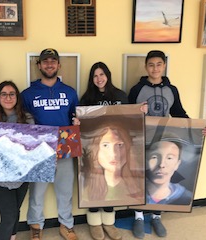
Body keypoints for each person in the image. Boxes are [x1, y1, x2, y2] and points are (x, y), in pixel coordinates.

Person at [128, 50, 206, 239]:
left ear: (164, 66)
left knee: (163, 178)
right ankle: (138, 217)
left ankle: (156, 215)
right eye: (151, 64)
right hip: (142, 141)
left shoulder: (172, 90)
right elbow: (128, 115)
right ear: (146, 66)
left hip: (163, 141)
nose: (155, 68)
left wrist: (198, 129)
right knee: (141, 178)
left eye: (158, 64)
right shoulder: (136, 90)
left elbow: (180, 114)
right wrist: (138, 111)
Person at [21, 48, 79, 240]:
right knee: (37, 191)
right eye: (45, 61)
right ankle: (36, 226)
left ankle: (67, 224)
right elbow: (23, 122)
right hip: (40, 148)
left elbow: (75, 117)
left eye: (53, 61)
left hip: (65, 146)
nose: (49, 64)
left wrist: (78, 123)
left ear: (58, 65)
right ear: (39, 65)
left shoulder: (70, 92)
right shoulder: (28, 94)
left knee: (65, 189)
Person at [77, 62, 130, 240]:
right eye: (95, 76)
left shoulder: (120, 95)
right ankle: (94, 223)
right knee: (94, 182)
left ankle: (109, 222)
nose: (99, 79)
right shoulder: (86, 98)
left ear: (108, 75)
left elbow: (130, 118)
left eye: (102, 74)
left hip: (115, 148)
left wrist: (141, 111)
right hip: (94, 149)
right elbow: (82, 123)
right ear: (92, 79)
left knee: (111, 182)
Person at [0, 81, 34, 240]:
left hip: (22, 177)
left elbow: (31, 148)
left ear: (17, 97)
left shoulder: (28, 119)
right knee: (9, 215)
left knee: (15, 211)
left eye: (12, 94)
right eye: (4, 94)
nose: (8, 97)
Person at [146, 133, 192, 205]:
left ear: (177, 164)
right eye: (154, 157)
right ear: (147, 160)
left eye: (169, 158)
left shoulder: (186, 198)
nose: (161, 165)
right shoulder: (133, 192)